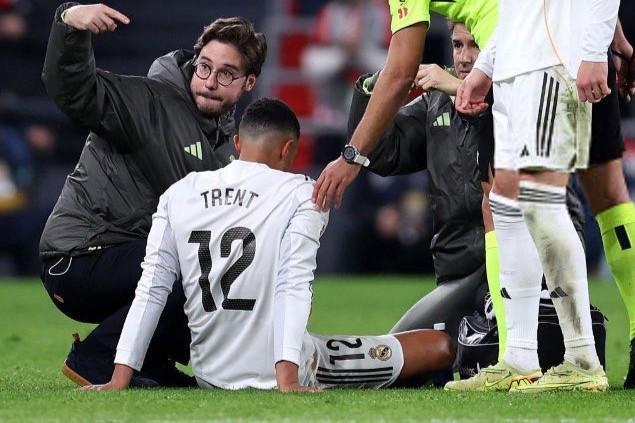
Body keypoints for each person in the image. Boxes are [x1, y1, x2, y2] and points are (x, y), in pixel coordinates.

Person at [81, 98, 455, 392]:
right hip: (282, 368)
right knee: (439, 346)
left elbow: (151, 289)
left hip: (210, 372)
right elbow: (294, 284)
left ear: (237, 143)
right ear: (288, 149)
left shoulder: (179, 193)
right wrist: (288, 377)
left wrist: (120, 376)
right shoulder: (302, 194)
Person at [39, 3, 266, 387]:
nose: (210, 81)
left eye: (226, 73)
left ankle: (149, 361)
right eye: (205, 67)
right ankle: (97, 359)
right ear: (194, 62)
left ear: (249, 82)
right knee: (197, 262)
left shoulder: (226, 144)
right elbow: (75, 90)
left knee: (223, 262)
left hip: (130, 257)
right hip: (80, 257)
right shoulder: (148, 101)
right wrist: (70, 23)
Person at [446, 0, 619, 392]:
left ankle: (582, 360)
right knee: (505, 203)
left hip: (554, 61)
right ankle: (519, 357)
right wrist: (488, 64)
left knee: (540, 200)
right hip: (515, 66)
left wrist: (595, 51)